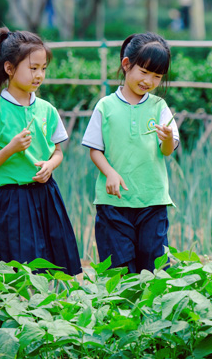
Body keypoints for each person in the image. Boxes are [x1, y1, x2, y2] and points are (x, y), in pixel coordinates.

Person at [0, 27, 81, 275]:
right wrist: (11, 148)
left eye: (43, 68)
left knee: (52, 263)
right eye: (33, 68)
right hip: (12, 201)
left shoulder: (47, 110)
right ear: (9, 68)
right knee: (17, 267)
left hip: (46, 195)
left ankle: (48, 312)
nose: (39, 75)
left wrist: (50, 166)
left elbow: (58, 152)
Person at [81, 32, 179, 273]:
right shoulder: (106, 106)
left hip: (152, 201)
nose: (149, 81)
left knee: (154, 267)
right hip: (113, 203)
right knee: (118, 268)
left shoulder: (159, 107)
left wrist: (166, 139)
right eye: (144, 72)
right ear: (126, 65)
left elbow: (167, 150)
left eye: (157, 76)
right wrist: (110, 173)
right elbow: (95, 150)